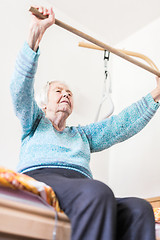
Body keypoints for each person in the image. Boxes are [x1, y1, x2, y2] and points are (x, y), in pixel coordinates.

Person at [10, 6, 160, 240]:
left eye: (69, 93)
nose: (66, 94)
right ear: (43, 104)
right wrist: (34, 36)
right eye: (58, 90)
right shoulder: (34, 122)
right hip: (42, 179)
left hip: (79, 187)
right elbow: (19, 91)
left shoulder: (81, 135)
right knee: (98, 191)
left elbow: (121, 125)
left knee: (140, 210)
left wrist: (158, 93)